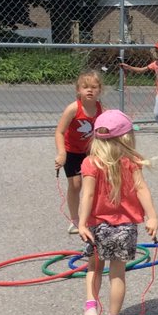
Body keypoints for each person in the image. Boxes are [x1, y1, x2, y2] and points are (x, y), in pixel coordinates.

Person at [76, 109, 158, 315]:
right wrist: (152, 216)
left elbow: (88, 196)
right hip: (126, 227)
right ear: (126, 138)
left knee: (94, 267)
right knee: (117, 274)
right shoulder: (131, 162)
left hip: (98, 226)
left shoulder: (90, 163)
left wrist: (82, 223)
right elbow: (142, 189)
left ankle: (91, 306)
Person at [53, 69, 104, 234]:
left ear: (100, 90)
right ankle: (75, 219)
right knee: (75, 185)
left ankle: (92, 216)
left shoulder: (101, 109)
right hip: (72, 151)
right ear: (78, 90)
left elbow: (105, 131)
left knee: (94, 184)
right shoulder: (73, 108)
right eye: (85, 87)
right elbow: (59, 132)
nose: (90, 90)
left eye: (94, 87)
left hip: (91, 151)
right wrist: (62, 153)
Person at [119, 40, 158, 141]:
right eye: (157, 52)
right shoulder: (155, 64)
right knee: (157, 114)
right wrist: (128, 67)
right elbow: (142, 70)